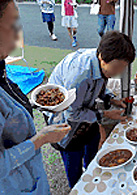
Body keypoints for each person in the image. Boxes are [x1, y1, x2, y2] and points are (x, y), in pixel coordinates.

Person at [45, 31, 136, 188]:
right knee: (73, 157)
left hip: (84, 108)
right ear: (101, 57)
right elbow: (72, 113)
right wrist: (106, 114)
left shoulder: (101, 61)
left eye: (124, 68)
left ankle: (91, 169)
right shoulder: (80, 75)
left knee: (92, 144)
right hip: (64, 119)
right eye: (117, 67)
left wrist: (111, 98)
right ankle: (78, 187)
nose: (119, 72)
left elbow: (99, 84)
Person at [0, 1, 72, 194]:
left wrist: (33, 105)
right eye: (12, 24)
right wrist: (41, 138)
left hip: (29, 177)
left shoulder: (2, 70)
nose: (17, 34)